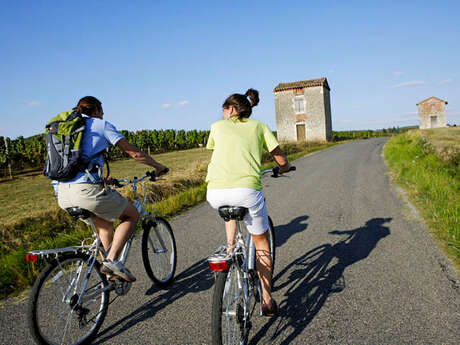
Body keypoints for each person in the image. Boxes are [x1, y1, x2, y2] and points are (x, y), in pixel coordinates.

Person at [57, 96, 168, 282]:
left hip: (63, 193)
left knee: (106, 225)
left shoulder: (68, 131)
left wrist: (102, 179)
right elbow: (133, 152)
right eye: (102, 111)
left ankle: (108, 278)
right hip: (85, 192)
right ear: (98, 110)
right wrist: (158, 167)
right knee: (131, 215)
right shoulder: (101, 125)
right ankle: (110, 261)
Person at [206, 89, 293, 317]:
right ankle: (266, 300)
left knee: (230, 211)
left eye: (224, 109)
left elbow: (222, 153)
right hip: (246, 191)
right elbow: (281, 159)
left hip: (215, 192)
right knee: (261, 242)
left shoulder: (216, 127)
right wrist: (283, 167)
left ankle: (231, 247)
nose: (222, 114)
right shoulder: (259, 126)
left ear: (231, 109)